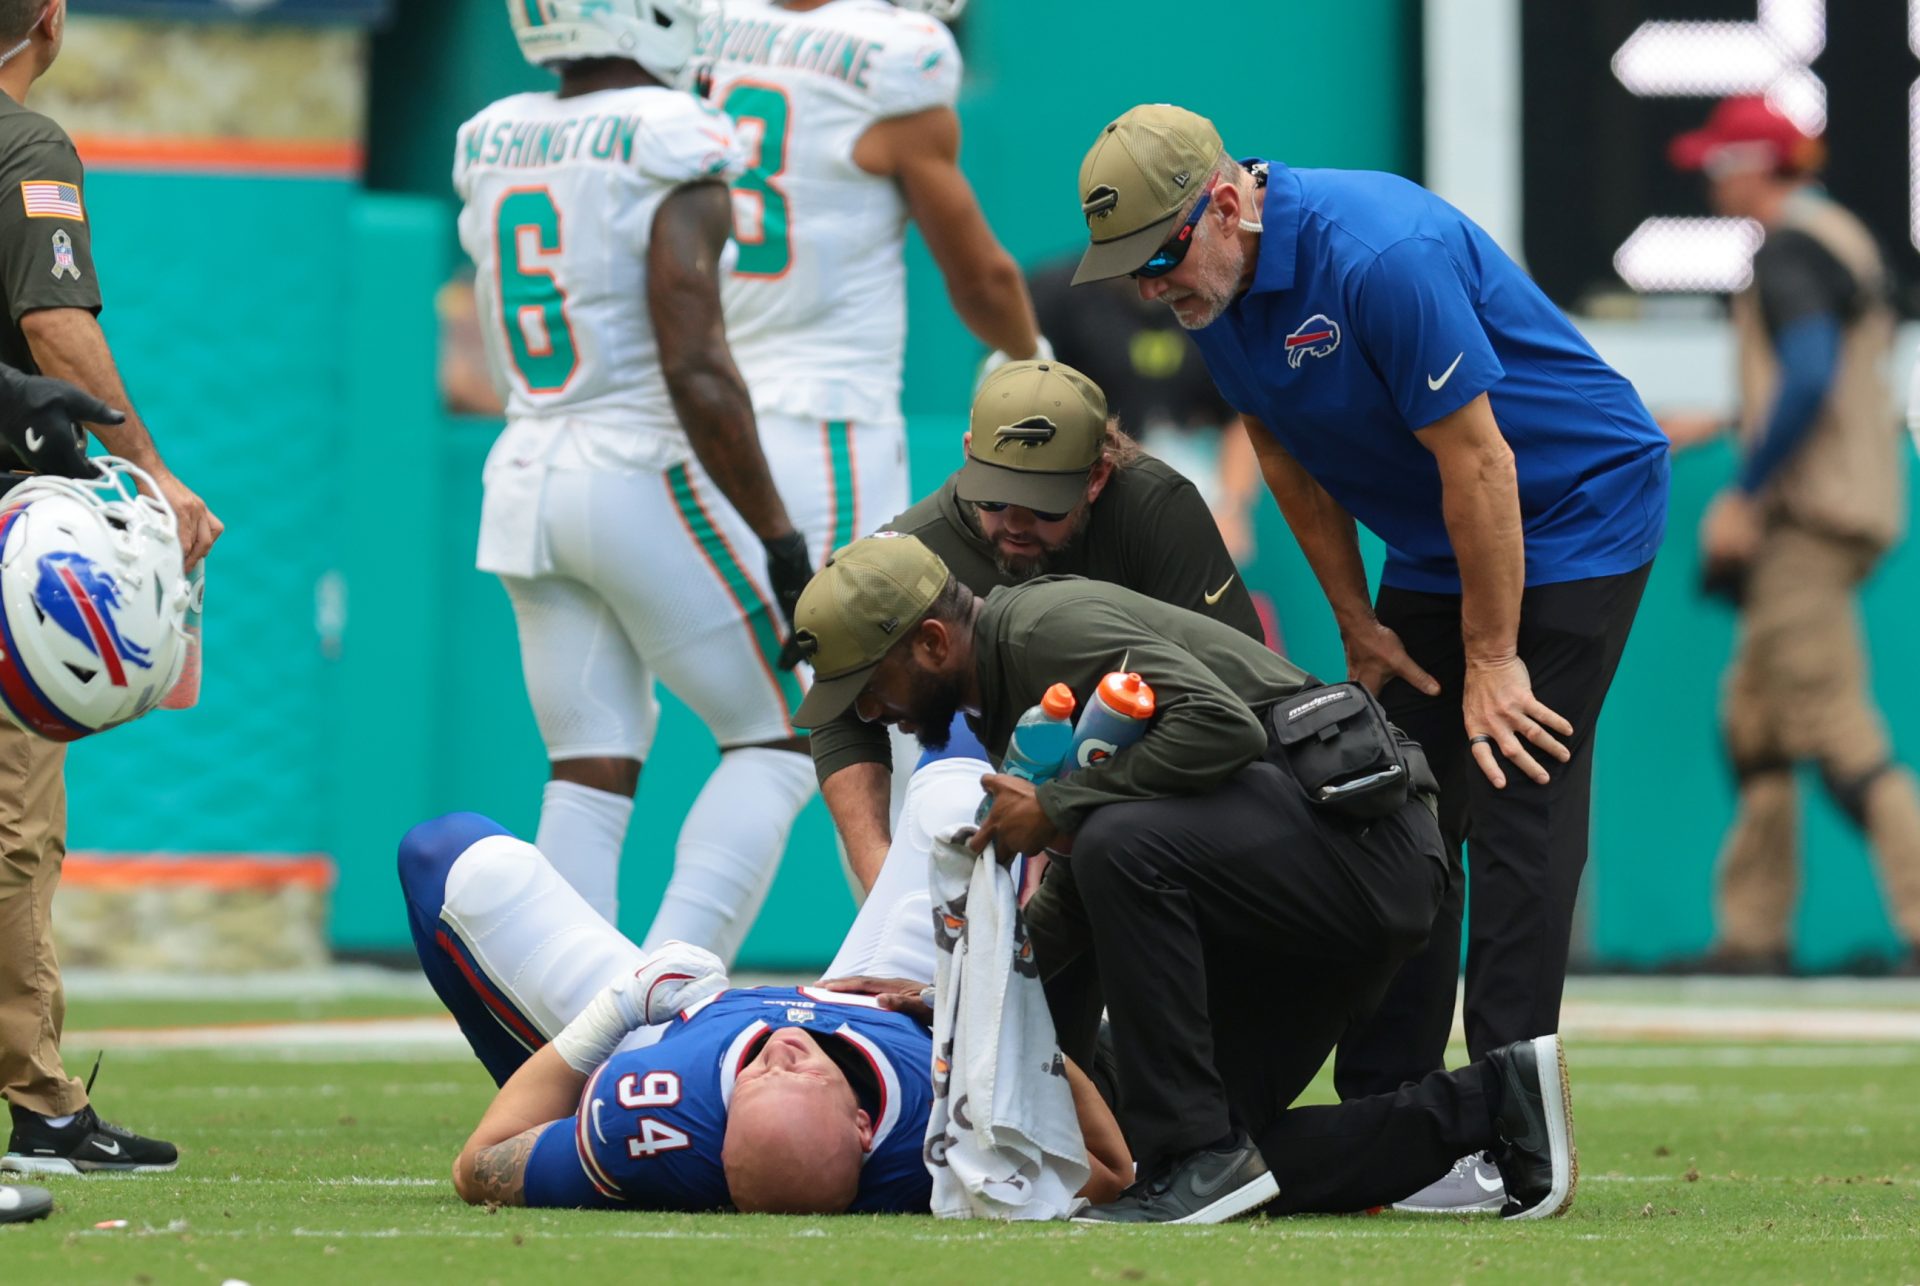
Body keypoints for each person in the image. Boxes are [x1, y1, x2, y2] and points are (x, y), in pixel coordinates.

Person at [1067, 103, 1668, 1211]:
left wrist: (1493, 656)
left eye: (1161, 258)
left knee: (1513, 781)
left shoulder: (1380, 254)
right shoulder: (1217, 280)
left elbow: (1484, 461)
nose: (1155, 292)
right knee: (1386, 803)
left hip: (1571, 507)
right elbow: (1284, 452)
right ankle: (1401, 1114)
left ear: (1232, 203)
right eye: (1133, 273)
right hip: (1442, 529)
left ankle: (1512, 1126)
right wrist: (1356, 614)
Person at [787, 534, 1578, 1225]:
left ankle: (1195, 1157)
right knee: (1191, 1159)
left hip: (1367, 850)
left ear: (930, 642)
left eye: (868, 685)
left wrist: (1061, 802)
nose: (872, 712)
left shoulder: (1038, 631)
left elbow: (1221, 731)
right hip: (1301, 878)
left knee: (1116, 845)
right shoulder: (1007, 674)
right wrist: (958, 991)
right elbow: (1085, 875)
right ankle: (1496, 1102)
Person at [457, 0, 817, 961]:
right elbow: (695, 359)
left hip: (526, 472)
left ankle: (560, 1034)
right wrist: (780, 537)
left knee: (588, 766)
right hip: (630, 469)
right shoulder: (671, 134)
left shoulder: (496, 135)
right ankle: (661, 996)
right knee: (786, 735)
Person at [692, 0, 1043, 930]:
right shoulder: (895, 55)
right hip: (826, 420)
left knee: (691, 740)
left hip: (711, 418)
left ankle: (613, 1001)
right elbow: (977, 275)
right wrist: (1028, 351)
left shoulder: (713, 24)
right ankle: (906, 965)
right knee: (865, 714)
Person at [395, 811, 1132, 1213]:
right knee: (955, 792)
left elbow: (477, 1164)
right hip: (894, 996)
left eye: (758, 1081)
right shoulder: (943, 1155)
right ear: (863, 1123)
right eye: (803, 1077)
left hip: (671, 1026)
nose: (782, 1049)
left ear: (718, 1141)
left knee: (453, 860)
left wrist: (617, 1011)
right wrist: (973, 1021)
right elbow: (1111, 1167)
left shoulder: (650, 1121)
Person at [1, 0, 222, 1179]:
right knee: (15, 829)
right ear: (49, 19)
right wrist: (148, 466)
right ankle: (37, 1103)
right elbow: (50, 322)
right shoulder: (24, 144)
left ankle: (38, 1093)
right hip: (10, 527)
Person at [810, 358, 1259, 894]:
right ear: (969, 451)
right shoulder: (917, 549)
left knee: (1115, 843)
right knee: (946, 797)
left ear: (1097, 477)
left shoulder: (1154, 507)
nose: (1017, 523)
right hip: (1030, 778)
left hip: (1158, 780)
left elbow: (1236, 699)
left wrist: (1065, 806)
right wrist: (877, 870)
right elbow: (841, 703)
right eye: (995, 497)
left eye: (1043, 504)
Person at [1661, 97, 1920, 977]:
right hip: (1837, 503)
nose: (1710, 178)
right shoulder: (1834, 234)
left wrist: (1745, 489)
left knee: (1837, 728)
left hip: (1806, 521)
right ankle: (1752, 934)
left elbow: (1809, 374)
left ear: (1750, 163)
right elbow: (1823, 376)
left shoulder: (1792, 247)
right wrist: (1730, 421)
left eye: (1718, 162)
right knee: (1757, 725)